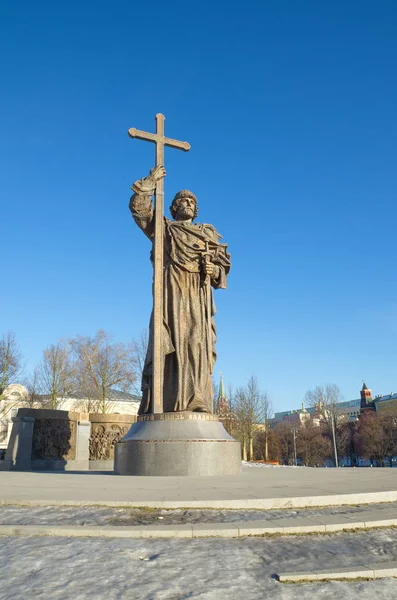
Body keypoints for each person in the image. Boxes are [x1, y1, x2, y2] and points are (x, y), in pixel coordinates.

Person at [130, 165, 231, 414]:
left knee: (197, 343)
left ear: (196, 210)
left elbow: (222, 269)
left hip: (197, 295)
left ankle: (197, 401)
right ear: (173, 208)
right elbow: (140, 212)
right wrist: (150, 182)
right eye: (181, 200)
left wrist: (213, 270)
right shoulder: (165, 230)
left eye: (191, 201)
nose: (186, 203)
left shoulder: (208, 235)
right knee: (170, 345)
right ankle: (166, 403)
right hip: (172, 295)